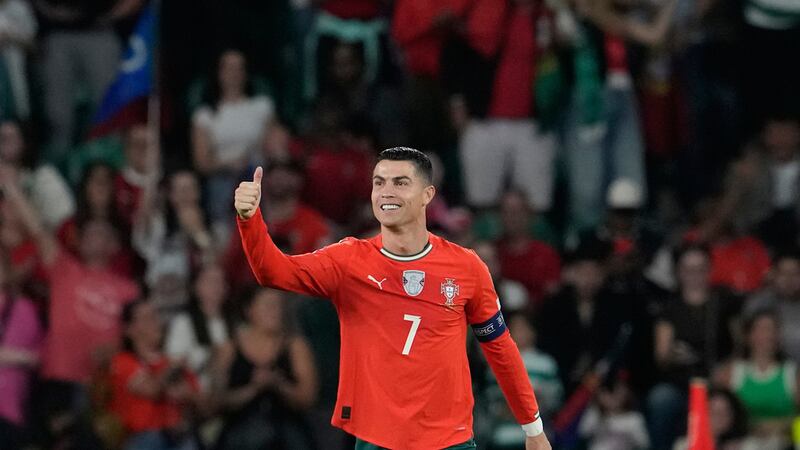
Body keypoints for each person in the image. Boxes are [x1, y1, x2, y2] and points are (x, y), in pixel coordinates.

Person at [234, 147, 551, 449]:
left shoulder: (466, 267)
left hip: (449, 442)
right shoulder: (349, 261)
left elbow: (500, 348)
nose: (386, 192)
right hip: (378, 441)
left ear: (427, 195)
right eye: (379, 182)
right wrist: (250, 221)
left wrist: (533, 428)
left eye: (400, 183)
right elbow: (273, 272)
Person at [212, 288, 318, 450]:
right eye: (268, 305)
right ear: (249, 310)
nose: (275, 311)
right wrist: (253, 388)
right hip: (240, 435)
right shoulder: (229, 348)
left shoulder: (296, 346)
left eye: (278, 305)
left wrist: (278, 384)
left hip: (287, 435)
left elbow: (308, 397)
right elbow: (217, 399)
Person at [110, 299, 201, 450]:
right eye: (147, 318)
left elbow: (200, 400)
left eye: (155, 317)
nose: (155, 323)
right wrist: (172, 371)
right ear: (130, 330)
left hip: (178, 436)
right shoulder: (122, 361)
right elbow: (151, 389)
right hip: (143, 438)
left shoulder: (170, 362)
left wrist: (188, 395)